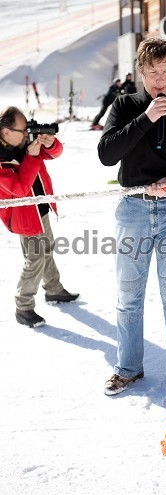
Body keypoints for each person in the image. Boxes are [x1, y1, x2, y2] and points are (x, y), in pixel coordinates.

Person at [98, 38, 166, 408]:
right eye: (152, 72)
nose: (160, 80)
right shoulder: (125, 105)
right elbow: (106, 155)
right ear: (141, 72)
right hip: (132, 208)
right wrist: (146, 118)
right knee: (128, 295)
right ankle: (128, 367)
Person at [0, 106, 79, 328]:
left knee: (47, 248)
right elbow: (19, 188)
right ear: (6, 132)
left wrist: (49, 143)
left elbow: (55, 153)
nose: (27, 134)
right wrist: (32, 157)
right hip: (23, 214)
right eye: (23, 130)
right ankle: (23, 306)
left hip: (39, 206)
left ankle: (53, 289)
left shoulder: (23, 142)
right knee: (35, 258)